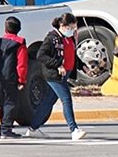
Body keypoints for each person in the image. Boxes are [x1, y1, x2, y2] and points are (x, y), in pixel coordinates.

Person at [28, 13, 88, 141]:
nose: (72, 30)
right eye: (71, 27)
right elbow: (41, 55)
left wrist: (82, 66)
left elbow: (72, 54)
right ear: (63, 26)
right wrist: (57, 65)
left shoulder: (70, 38)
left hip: (65, 73)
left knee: (48, 101)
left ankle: (33, 128)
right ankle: (74, 129)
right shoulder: (52, 38)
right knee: (66, 99)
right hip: (54, 75)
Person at [0, 16, 28, 139]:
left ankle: (2, 127)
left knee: (2, 102)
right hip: (12, 76)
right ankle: (6, 128)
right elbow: (22, 63)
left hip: (0, 75)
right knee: (11, 102)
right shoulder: (20, 43)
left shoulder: (1, 41)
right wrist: (22, 80)